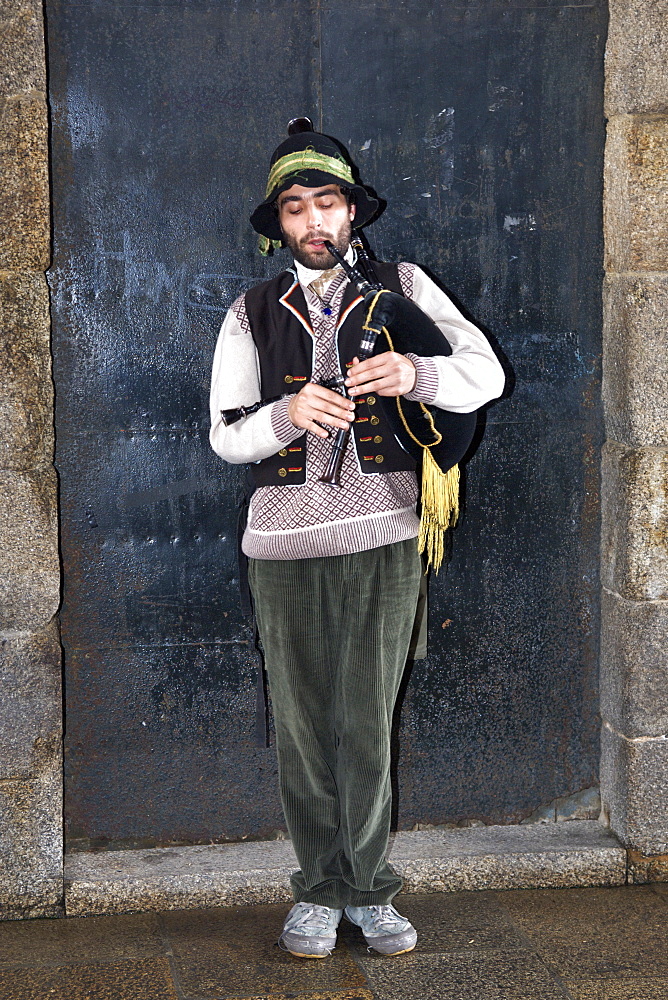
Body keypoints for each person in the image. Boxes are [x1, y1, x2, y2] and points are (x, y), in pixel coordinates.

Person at [209, 120, 504, 958]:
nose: (312, 221)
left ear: (350, 212)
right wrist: (283, 416)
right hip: (281, 549)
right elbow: (224, 434)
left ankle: (369, 891)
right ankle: (316, 892)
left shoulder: (403, 283)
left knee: (367, 723)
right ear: (281, 224)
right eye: (295, 207)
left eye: (325, 202)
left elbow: (486, 374)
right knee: (304, 729)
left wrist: (418, 373)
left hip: (382, 537)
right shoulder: (252, 311)